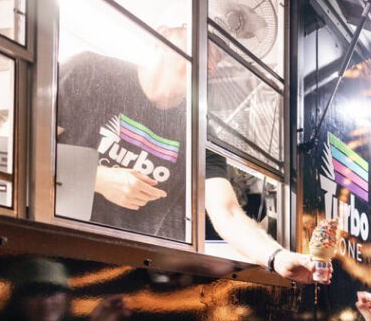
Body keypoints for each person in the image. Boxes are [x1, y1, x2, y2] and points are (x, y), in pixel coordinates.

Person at [57, 22, 317, 282]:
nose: (210, 65)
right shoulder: (89, 72)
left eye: (216, 58)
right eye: (204, 47)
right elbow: (21, 149)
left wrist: (277, 257)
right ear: (163, 35)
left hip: (129, 274)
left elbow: (227, 212)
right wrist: (99, 178)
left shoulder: (202, 131)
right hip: (58, 251)